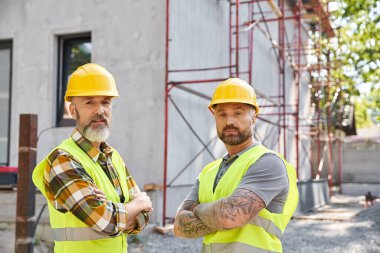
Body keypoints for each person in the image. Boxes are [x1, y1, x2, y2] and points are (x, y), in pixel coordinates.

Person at [32, 63, 153, 253]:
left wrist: (114, 211)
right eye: (90, 102)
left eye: (105, 102)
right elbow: (107, 221)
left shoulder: (114, 158)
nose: (100, 110)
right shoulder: (63, 160)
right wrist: (137, 204)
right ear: (73, 111)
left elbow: (143, 219)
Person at [174, 78, 299, 253]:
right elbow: (179, 226)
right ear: (214, 117)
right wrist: (218, 213)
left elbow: (231, 216)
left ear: (253, 118)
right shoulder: (208, 171)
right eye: (222, 114)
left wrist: (197, 210)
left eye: (238, 113)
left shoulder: (267, 162)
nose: (229, 121)